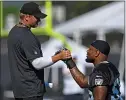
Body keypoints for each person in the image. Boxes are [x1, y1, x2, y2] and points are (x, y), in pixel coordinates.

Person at [7, 2, 71, 100]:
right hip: (31, 91)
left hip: (20, 90)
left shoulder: (13, 31)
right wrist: (59, 57)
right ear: (27, 17)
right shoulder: (26, 36)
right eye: (37, 17)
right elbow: (37, 63)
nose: (39, 20)